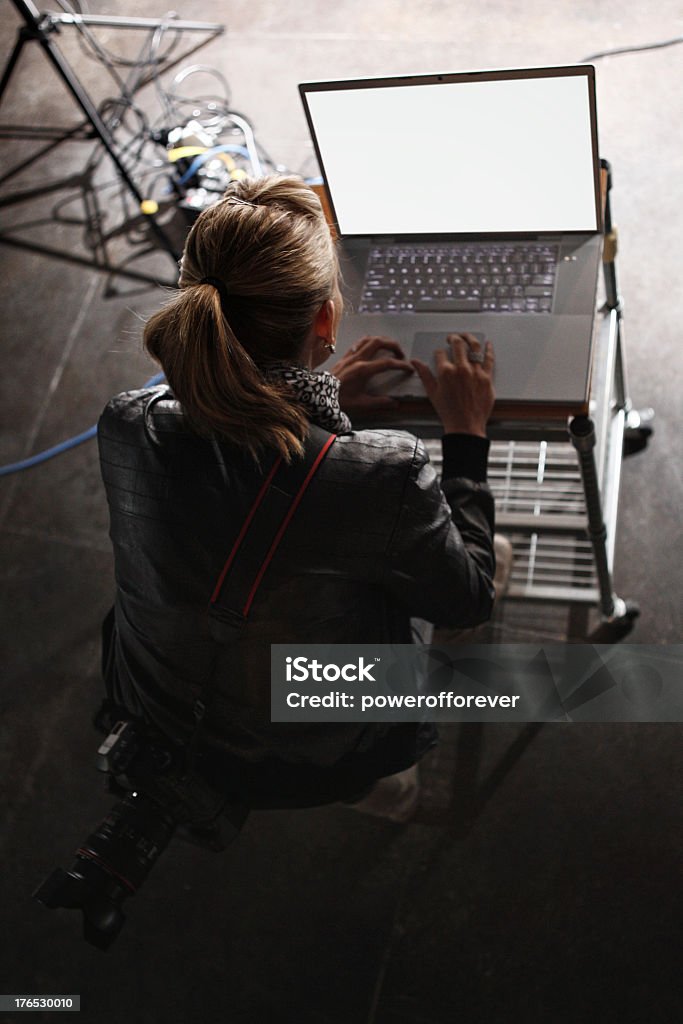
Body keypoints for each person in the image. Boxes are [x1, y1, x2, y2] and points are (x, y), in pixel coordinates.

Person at [97, 175, 498, 823]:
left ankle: (371, 790)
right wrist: (466, 434)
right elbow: (468, 599)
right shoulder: (383, 473)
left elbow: (238, 478)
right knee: (450, 575)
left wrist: (318, 399)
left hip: (163, 716)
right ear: (325, 318)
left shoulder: (127, 420)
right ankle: (382, 787)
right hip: (312, 750)